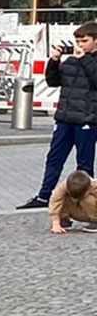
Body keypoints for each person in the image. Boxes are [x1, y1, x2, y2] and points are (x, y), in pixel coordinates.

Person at [23, 23, 97, 210]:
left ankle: (87, 204)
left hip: (87, 119)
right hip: (64, 117)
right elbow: (53, 81)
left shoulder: (89, 60)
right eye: (78, 40)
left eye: (85, 41)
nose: (80, 44)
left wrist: (85, 59)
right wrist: (54, 61)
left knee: (84, 164)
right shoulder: (72, 60)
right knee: (54, 158)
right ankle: (44, 195)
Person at [50, 168, 97, 234]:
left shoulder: (94, 185)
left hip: (90, 212)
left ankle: (95, 221)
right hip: (74, 212)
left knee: (89, 199)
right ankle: (64, 219)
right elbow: (55, 201)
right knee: (61, 198)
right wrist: (55, 223)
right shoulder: (64, 186)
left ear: (88, 189)